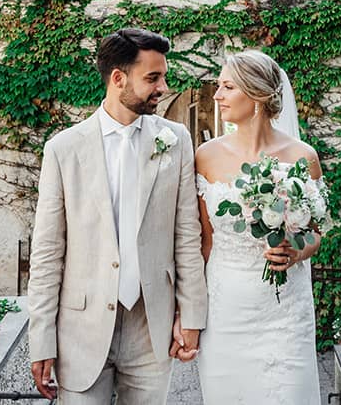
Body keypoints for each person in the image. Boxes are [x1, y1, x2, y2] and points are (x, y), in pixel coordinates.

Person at [27, 28, 207, 404]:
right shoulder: (63, 149)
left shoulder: (176, 139)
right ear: (118, 78)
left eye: (164, 76)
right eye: (153, 78)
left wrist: (191, 315)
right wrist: (41, 338)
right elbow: (46, 252)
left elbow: (187, 235)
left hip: (150, 326)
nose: (163, 87)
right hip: (81, 327)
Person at [194, 50, 324, 404]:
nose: (217, 95)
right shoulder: (206, 156)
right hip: (226, 312)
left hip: (285, 316)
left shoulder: (303, 156)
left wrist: (298, 251)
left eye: (227, 87)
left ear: (256, 97)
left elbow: (315, 231)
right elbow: (204, 242)